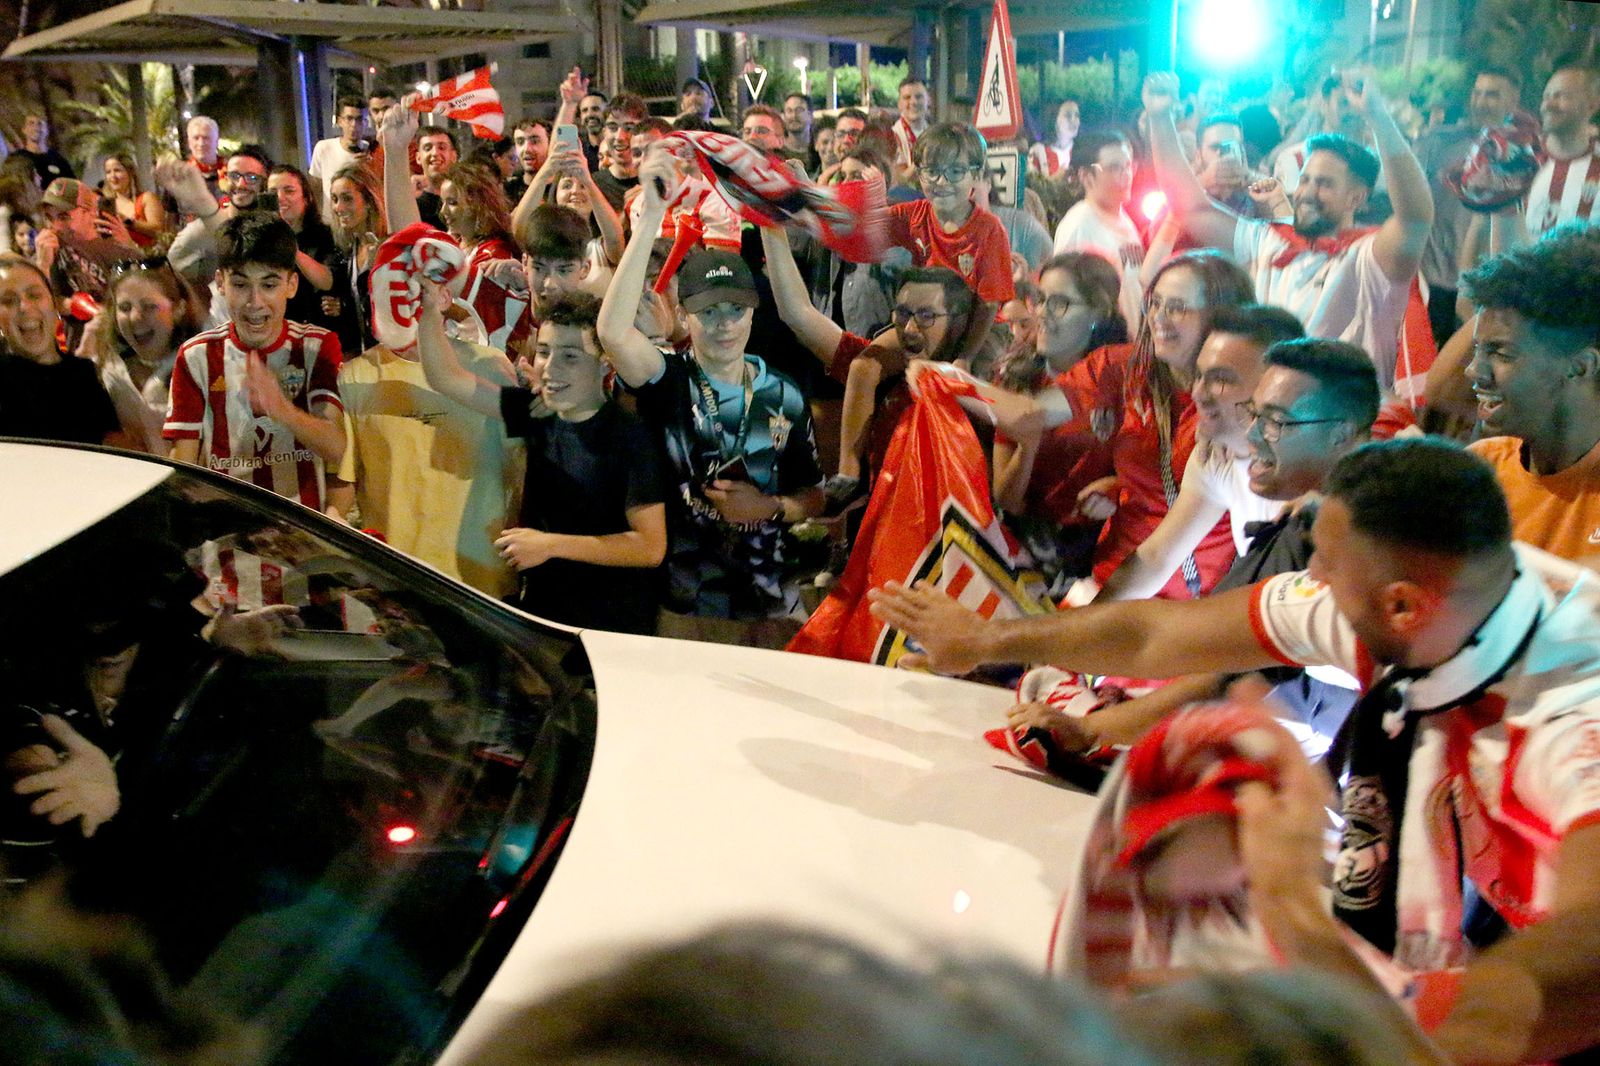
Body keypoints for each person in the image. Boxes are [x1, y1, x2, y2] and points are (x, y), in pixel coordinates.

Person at [876, 437, 1600, 1064]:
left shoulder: (1572, 724)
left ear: (1402, 606)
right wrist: (983, 643)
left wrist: (1285, 893)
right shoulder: (1441, 601)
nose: (1309, 583)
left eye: (1325, 568)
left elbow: (1486, 1034)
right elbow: (1158, 635)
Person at [1015, 338, 1380, 762]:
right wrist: (1071, 645)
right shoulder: (1223, 458)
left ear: (1340, 434)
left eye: (1276, 421)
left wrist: (1088, 728)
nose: (1254, 431)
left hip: (1333, 737)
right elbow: (1156, 559)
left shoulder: (1328, 522)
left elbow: (1217, 665)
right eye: (1256, 413)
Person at [598, 148, 824, 648]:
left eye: (734, 310)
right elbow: (613, 332)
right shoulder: (669, 378)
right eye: (708, 311)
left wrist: (769, 507)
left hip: (770, 607)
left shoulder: (782, 394)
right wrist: (650, 219)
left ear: (752, 314)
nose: (723, 324)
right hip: (687, 608)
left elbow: (814, 493)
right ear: (685, 315)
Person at [1145, 72, 1433, 393]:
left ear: (1357, 197)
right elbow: (1192, 209)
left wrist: (1378, 117)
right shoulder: (1271, 241)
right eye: (1305, 180)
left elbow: (1416, 218)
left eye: (1324, 184)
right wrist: (1159, 118)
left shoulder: (1369, 258)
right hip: (1268, 422)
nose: (1307, 193)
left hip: (1337, 430)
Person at [417, 287, 667, 630]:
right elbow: (446, 378)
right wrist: (431, 310)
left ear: (604, 362)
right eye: (544, 353)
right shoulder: (537, 412)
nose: (550, 368)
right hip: (543, 615)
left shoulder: (630, 436)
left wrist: (550, 545)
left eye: (570, 356)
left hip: (612, 625)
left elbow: (650, 547)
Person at [825, 122, 1014, 503]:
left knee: (983, 388)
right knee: (863, 367)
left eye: (955, 172)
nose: (941, 181)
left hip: (976, 329)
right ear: (917, 171)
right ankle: (849, 471)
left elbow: (989, 305)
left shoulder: (988, 230)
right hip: (924, 324)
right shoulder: (914, 214)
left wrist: (964, 357)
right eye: (931, 170)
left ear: (977, 176)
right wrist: (817, 194)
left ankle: (988, 488)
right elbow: (863, 231)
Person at [329, 248, 523, 598]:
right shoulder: (355, 377)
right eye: (391, 290)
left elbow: (521, 472)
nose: (403, 301)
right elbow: (347, 477)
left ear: (445, 296)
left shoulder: (491, 366)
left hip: (484, 582)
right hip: (398, 581)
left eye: (416, 289)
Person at [1092, 305, 1307, 603]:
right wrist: (1084, 625)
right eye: (1199, 375)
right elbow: (1156, 558)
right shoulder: (1219, 454)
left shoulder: (1319, 481)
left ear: (1276, 387)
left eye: (1221, 379)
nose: (1197, 393)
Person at [163, 213, 345, 511]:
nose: (255, 301)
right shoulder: (195, 356)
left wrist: (282, 409)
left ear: (292, 285)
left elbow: (338, 449)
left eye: (269, 285)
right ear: (220, 283)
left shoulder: (317, 346)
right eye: (241, 284)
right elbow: (183, 464)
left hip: (302, 543)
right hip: (226, 542)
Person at [1461, 223, 1600, 564]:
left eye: (1501, 353)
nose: (1473, 371)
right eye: (1477, 349)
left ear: (1581, 366)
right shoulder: (1481, 470)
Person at [1411, 67, 1520, 346]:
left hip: (1479, 283)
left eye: (1492, 95)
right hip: (1431, 278)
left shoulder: (1524, 153)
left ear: (1513, 101)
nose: (1481, 101)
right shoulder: (1440, 142)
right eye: (1478, 93)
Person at [78, 258, 207, 453]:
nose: (135, 317)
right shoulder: (108, 366)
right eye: (125, 308)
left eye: (149, 306)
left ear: (178, 309)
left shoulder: (201, 366)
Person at [0, 255, 120, 446]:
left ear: (54, 304)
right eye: (8, 300)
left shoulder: (86, 374)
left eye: (34, 295)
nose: (24, 307)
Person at [1052, 130, 1146, 330]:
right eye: (1114, 168)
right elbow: (1065, 298)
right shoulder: (1079, 225)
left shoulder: (1126, 221)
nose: (1126, 175)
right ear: (1086, 176)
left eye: (1128, 166)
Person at [323, 162, 387, 356]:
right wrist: (343, 307)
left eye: (347, 199)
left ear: (368, 201)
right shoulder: (353, 247)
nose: (338, 207)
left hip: (395, 357)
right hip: (367, 355)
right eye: (334, 199)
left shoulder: (384, 246)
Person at [265, 164, 337, 332]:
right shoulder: (262, 240)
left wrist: (290, 245)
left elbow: (327, 281)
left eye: (289, 191)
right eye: (273, 192)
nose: (280, 198)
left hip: (318, 330)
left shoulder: (325, 235)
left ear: (306, 198)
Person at [307, 95, 370, 217]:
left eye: (359, 119)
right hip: (331, 221)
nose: (354, 125)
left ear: (365, 122)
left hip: (360, 220)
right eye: (349, 119)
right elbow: (315, 188)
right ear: (340, 121)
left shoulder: (369, 151)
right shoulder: (324, 148)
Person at [593, 93, 648, 212]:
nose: (619, 137)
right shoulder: (593, 186)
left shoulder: (661, 184)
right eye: (613, 128)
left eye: (629, 128)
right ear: (604, 132)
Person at [99, 153, 167, 249]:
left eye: (117, 170)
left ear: (130, 172)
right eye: (108, 172)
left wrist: (128, 222)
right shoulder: (107, 205)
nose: (112, 176)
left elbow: (159, 231)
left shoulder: (146, 198)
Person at [412, 124, 458, 230]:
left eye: (442, 147)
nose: (435, 153)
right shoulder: (412, 205)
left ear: (453, 156)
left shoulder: (466, 199)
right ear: (418, 157)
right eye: (427, 148)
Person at [890, 76, 933, 185]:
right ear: (899, 104)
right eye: (907, 97)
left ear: (928, 101)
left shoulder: (934, 134)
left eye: (919, 97)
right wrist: (925, 157)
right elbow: (899, 181)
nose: (913, 102)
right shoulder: (892, 136)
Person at [15, 114, 74, 187]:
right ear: (24, 129)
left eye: (40, 124)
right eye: (31, 124)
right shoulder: (16, 158)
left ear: (47, 130)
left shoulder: (59, 160)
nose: (36, 128)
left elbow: (72, 188)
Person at [1029, 99, 1081, 180]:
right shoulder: (1038, 151)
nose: (1074, 120)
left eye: (1077, 115)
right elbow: (1032, 187)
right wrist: (1056, 178)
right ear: (1054, 119)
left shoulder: (1083, 152)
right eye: (1068, 115)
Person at [504, 119, 550, 204]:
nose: (526, 149)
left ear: (550, 145)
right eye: (520, 142)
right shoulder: (507, 191)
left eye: (535, 141)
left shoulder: (563, 188)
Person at [185, 115, 226, 201]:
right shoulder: (180, 176)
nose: (201, 143)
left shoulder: (231, 172)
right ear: (189, 143)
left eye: (206, 138)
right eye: (196, 138)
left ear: (217, 141)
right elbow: (170, 213)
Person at [781, 92, 815, 170]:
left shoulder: (820, 150)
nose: (794, 116)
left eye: (799, 110)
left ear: (810, 115)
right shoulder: (777, 151)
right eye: (789, 111)